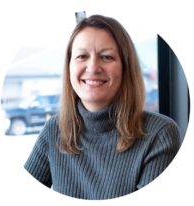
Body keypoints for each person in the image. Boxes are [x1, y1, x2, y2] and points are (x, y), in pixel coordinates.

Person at [24, 15, 181, 200]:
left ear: (126, 67)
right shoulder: (54, 129)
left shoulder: (160, 134)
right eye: (82, 56)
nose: (92, 67)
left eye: (106, 57)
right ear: (69, 67)